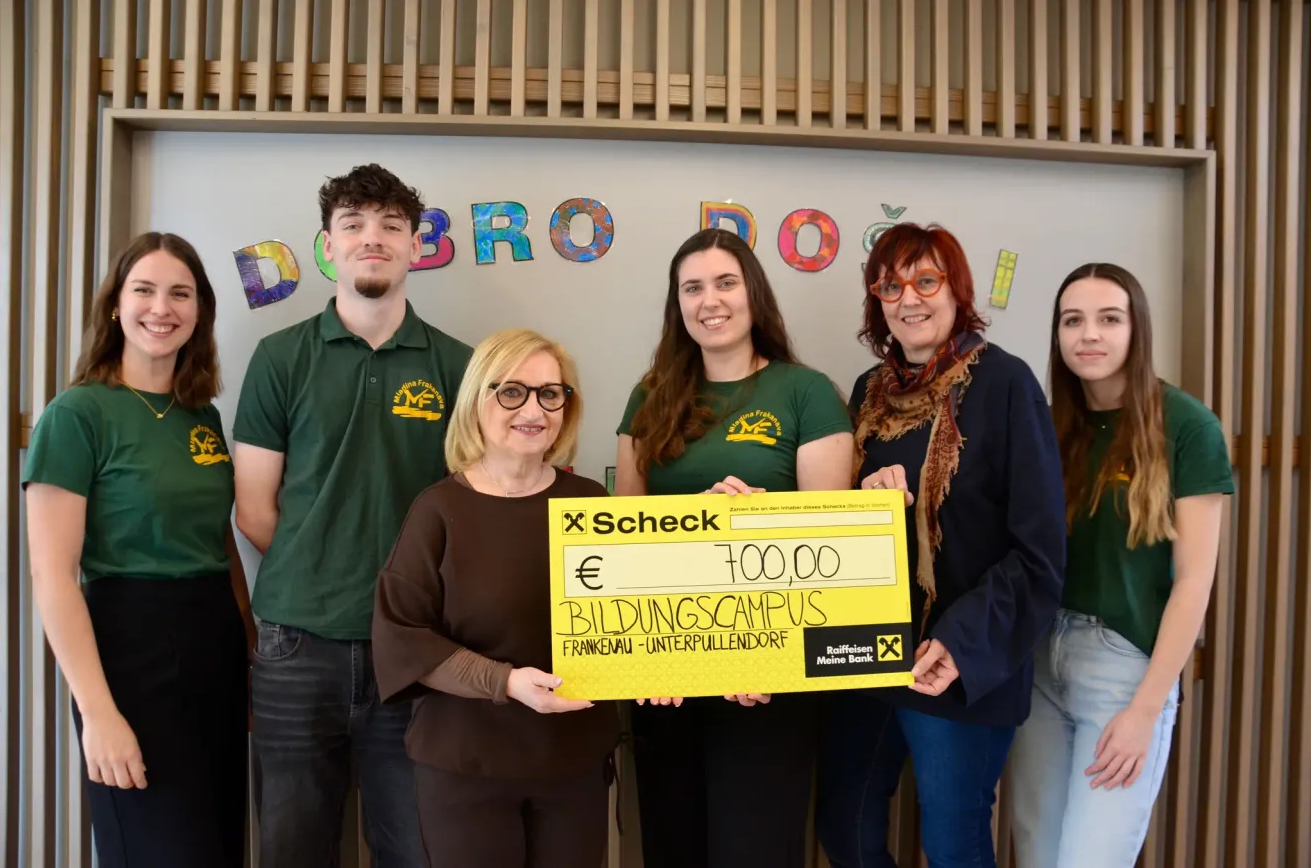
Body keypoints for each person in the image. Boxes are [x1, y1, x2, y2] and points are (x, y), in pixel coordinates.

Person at [232, 163, 473, 867]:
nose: (374, 238)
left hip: (417, 649)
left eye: (392, 225)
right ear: (328, 245)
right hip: (294, 646)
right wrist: (326, 575)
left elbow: (475, 506)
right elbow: (253, 510)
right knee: (293, 848)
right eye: (354, 224)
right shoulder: (280, 359)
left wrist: (402, 605)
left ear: (416, 246)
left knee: (417, 847)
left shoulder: (458, 366)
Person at [815, 222, 1066, 868]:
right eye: (890, 284)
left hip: (958, 663)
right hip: (866, 652)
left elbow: (1039, 552)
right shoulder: (870, 391)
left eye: (926, 280)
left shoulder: (1006, 384)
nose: (909, 298)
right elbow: (834, 521)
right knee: (844, 829)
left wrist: (961, 644)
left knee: (952, 847)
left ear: (957, 290)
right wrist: (868, 497)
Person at [615, 227, 854, 868]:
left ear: (753, 294)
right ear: (678, 304)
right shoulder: (650, 397)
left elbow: (829, 542)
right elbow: (622, 539)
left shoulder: (805, 392)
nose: (709, 300)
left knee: (755, 848)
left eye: (725, 282)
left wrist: (761, 522)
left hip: (767, 675)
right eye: (692, 287)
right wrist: (641, 663)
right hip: (665, 669)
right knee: (673, 845)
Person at [23, 232, 253, 868]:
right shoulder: (77, 414)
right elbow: (52, 576)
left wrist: (252, 651)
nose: (162, 307)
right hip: (129, 650)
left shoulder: (200, 415)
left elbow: (221, 541)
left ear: (200, 310)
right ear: (117, 307)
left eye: (180, 293)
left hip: (215, 642)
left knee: (219, 846)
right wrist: (97, 713)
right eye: (144, 290)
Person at [1008, 264, 1231, 867]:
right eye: (1072, 320)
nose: (1090, 335)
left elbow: (1194, 583)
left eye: (1110, 319)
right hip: (1039, 665)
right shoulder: (1047, 423)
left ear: (1137, 329)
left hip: (1124, 672)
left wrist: (1146, 709)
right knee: (1036, 856)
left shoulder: (1187, 426)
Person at [372, 328, 619, 868]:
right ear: (477, 403)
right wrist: (504, 682)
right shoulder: (437, 509)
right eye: (512, 391)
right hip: (465, 770)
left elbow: (645, 614)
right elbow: (403, 637)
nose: (534, 408)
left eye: (551, 393)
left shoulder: (593, 504)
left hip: (572, 765)